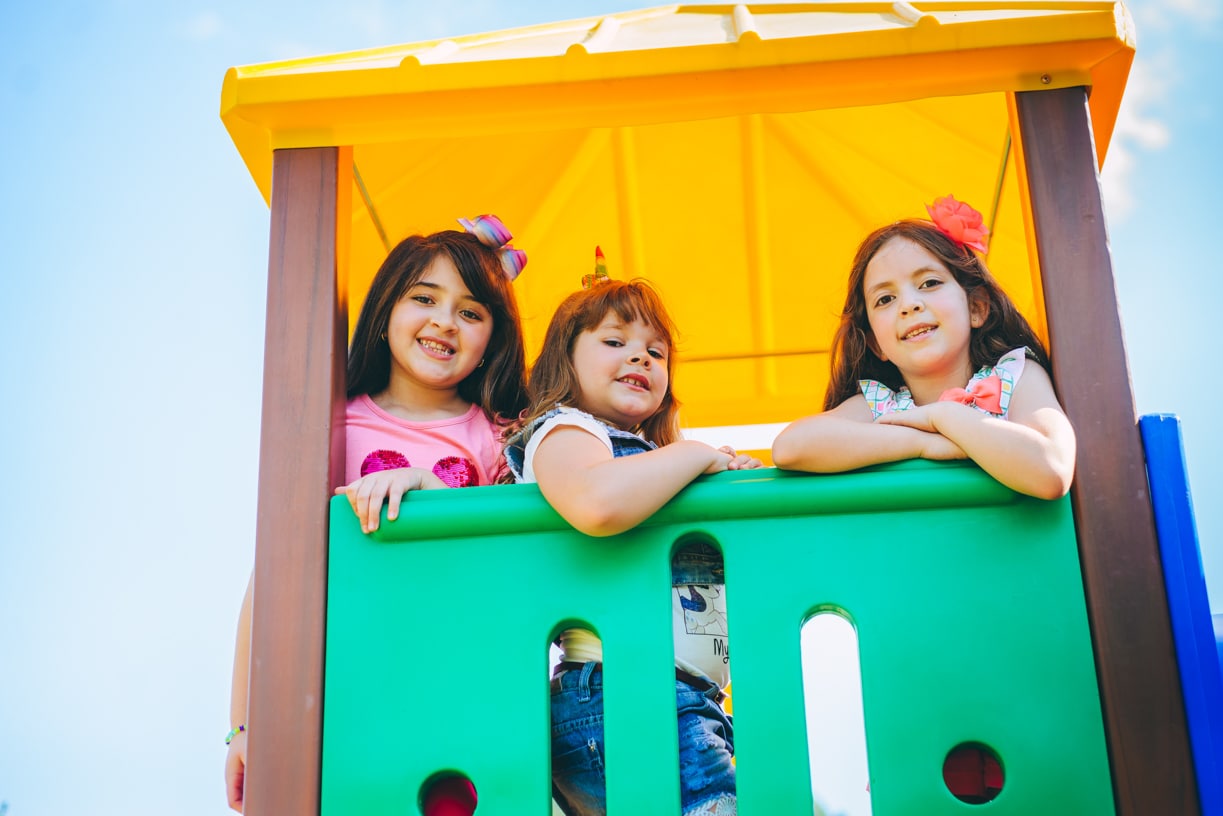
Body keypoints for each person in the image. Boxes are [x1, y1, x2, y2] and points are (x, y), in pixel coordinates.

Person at [225, 216, 529, 814]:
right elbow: (271, 584)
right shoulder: (328, 425)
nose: (445, 320)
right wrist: (243, 726)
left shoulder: (500, 438)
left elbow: (520, 558)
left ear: (493, 339)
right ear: (386, 308)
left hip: (465, 690)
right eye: (424, 298)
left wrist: (425, 490)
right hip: (349, 691)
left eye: (471, 312)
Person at [503, 264, 761, 816]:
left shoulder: (654, 465)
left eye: (656, 351)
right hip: (623, 690)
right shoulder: (566, 430)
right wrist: (697, 454)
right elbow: (595, 503)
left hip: (675, 697)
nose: (641, 357)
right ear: (565, 361)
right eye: (615, 341)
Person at [771, 194, 1076, 500]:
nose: (909, 305)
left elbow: (1051, 470)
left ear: (977, 307)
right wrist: (923, 443)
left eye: (929, 283)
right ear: (877, 344)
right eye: (885, 299)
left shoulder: (1015, 375)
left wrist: (941, 417)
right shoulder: (882, 406)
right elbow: (790, 448)